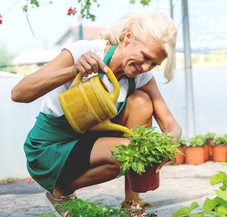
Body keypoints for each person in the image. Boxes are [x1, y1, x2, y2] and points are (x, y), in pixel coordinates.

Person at [11, 12, 182, 217]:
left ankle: (132, 206)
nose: (146, 67)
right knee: (132, 152)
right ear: (128, 37)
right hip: (49, 149)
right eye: (145, 56)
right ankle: (60, 193)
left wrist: (166, 146)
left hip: (87, 146)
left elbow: (172, 126)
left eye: (154, 64)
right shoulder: (86, 51)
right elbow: (18, 93)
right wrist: (73, 70)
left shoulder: (142, 76)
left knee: (142, 102)